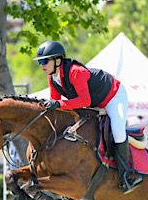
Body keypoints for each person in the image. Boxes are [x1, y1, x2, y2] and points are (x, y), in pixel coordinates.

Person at [35, 40, 141, 191]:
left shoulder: (75, 72)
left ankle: (128, 175)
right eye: (40, 62)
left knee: (117, 131)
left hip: (113, 96)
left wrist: (59, 104)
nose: (42, 65)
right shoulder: (52, 77)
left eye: (45, 61)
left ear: (58, 60)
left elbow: (84, 100)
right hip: (93, 102)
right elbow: (56, 102)